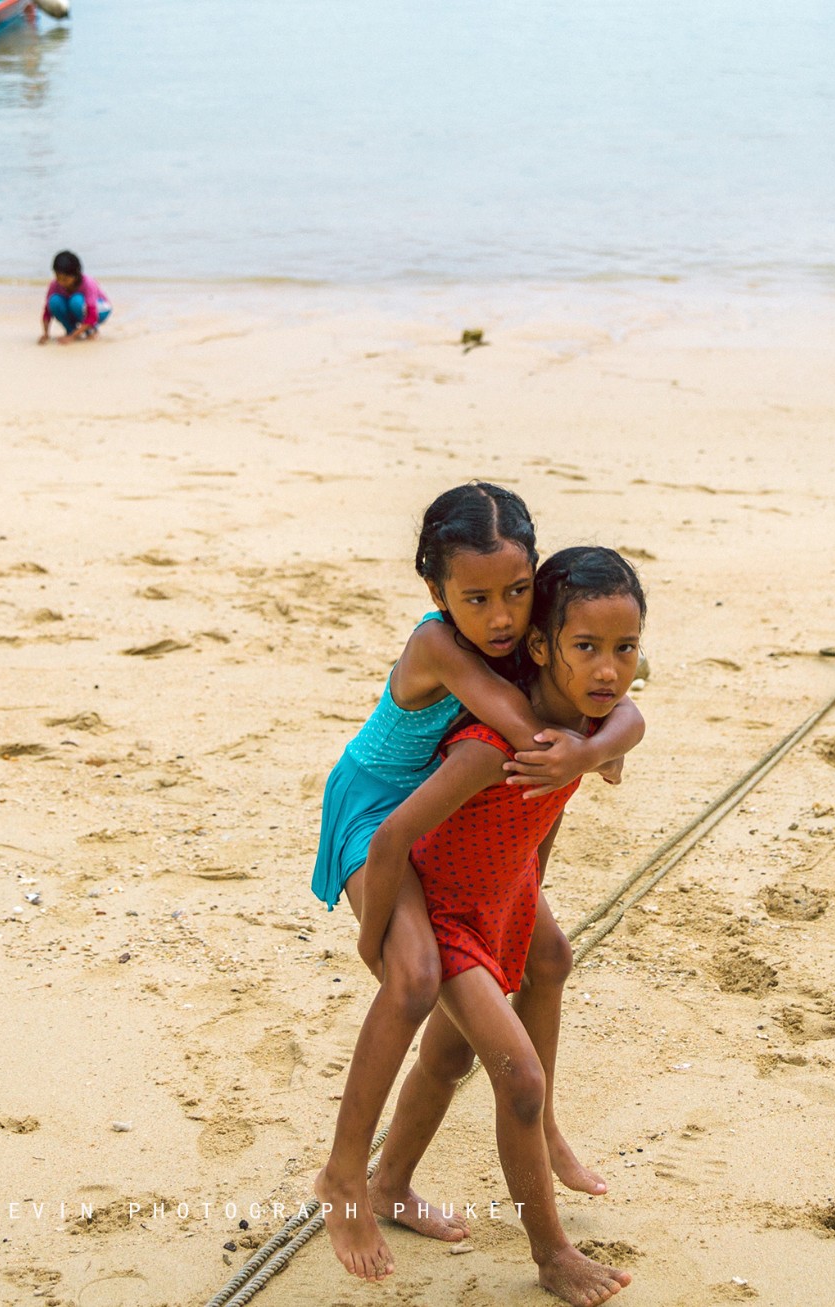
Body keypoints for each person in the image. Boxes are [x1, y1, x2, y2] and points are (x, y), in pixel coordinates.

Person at [310, 486, 645, 1280]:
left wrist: (593, 744)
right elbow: (516, 728)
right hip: (378, 807)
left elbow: (621, 716)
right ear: (436, 593)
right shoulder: (450, 656)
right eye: (477, 598)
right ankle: (344, 1173)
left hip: (455, 838)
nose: (500, 616)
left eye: (517, 592)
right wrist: (373, 942)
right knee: (415, 977)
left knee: (548, 959)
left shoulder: (555, 653)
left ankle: (402, 1177)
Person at [39, 250, 111, 343]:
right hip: (78, 308)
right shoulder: (55, 285)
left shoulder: (88, 283)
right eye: (58, 277)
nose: (61, 282)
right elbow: (47, 312)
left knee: (76, 301)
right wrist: (46, 334)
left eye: (65, 279)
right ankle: (71, 330)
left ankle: (91, 330)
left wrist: (71, 338)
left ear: (75, 275)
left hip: (100, 309)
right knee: (54, 301)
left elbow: (92, 315)